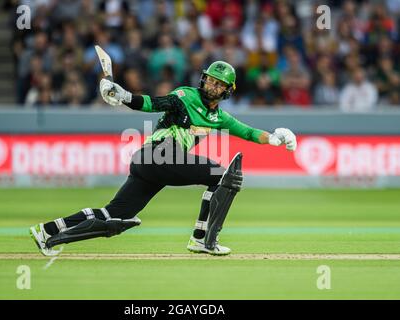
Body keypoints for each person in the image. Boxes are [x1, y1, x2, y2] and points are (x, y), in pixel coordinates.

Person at [29, 61, 297, 256]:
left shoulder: (218, 117)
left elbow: (247, 132)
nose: (211, 85)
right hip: (159, 155)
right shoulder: (186, 96)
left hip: (153, 163)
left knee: (115, 214)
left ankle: (48, 231)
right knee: (222, 175)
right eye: (209, 80)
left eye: (218, 84)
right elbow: (153, 103)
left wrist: (274, 137)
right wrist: (122, 96)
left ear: (228, 90)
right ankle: (202, 239)